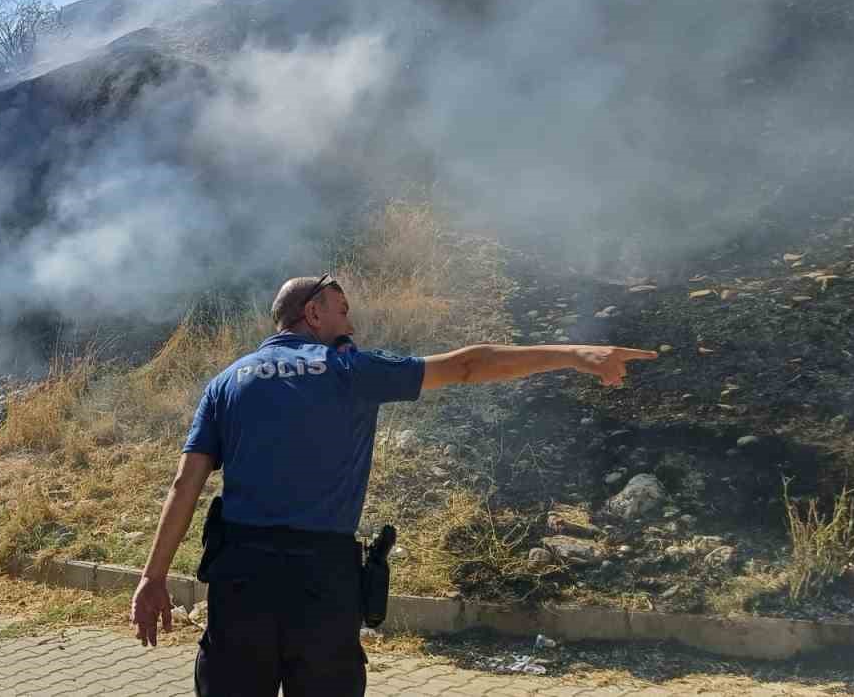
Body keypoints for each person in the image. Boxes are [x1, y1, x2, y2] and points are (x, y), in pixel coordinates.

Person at [129, 273, 658, 697]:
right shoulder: (348, 368)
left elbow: (184, 485)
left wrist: (152, 579)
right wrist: (575, 355)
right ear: (312, 313)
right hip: (322, 583)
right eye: (342, 309)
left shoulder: (225, 382)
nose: (351, 322)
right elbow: (471, 365)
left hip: (240, 579)